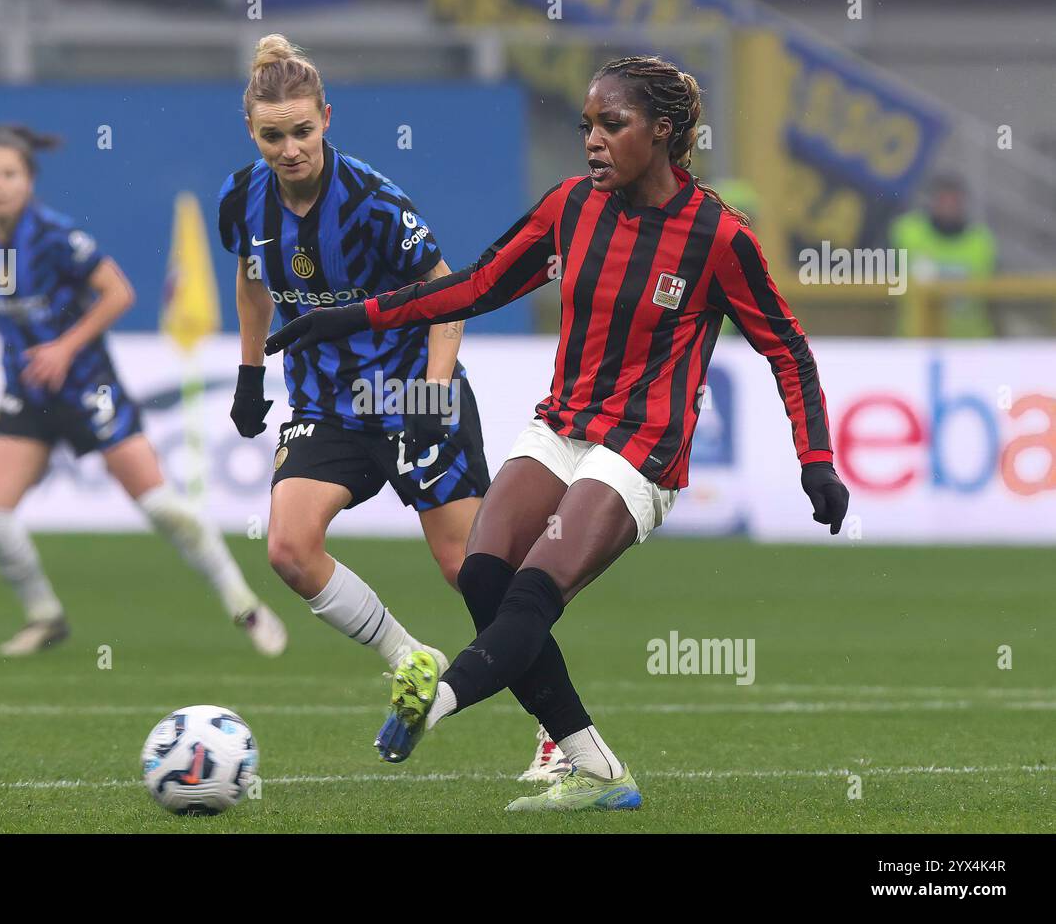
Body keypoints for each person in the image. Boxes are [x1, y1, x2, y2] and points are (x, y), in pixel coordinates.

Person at [267, 56, 850, 812]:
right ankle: (596, 767)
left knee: (533, 594)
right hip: (563, 423)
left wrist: (818, 459)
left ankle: (436, 702)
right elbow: (475, 284)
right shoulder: (571, 207)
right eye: (587, 126)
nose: (594, 141)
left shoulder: (719, 237)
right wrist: (351, 315)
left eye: (613, 124)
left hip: (641, 449)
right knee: (482, 573)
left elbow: (787, 348)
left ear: (662, 132)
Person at [220, 34, 568, 780]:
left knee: (472, 571)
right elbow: (252, 281)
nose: (290, 149)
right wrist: (251, 373)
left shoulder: (375, 204)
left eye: (303, 131)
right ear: (252, 131)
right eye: (273, 135)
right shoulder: (241, 199)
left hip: (413, 389)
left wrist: (434, 395)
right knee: (287, 548)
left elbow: (450, 300)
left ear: (327, 119)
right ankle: (408, 656)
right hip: (327, 404)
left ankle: (557, 734)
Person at [0, 124, 285, 658]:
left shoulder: (55, 236)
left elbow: (118, 292)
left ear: (29, 181)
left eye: (9, 173)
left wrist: (64, 347)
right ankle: (45, 616)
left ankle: (244, 604)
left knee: (163, 509)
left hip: (87, 389)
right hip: (28, 395)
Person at [890, 173, 997, 338]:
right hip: (915, 342)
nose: (948, 206)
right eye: (943, 200)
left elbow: (996, 297)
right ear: (933, 201)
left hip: (968, 345)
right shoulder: (907, 233)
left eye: (954, 201)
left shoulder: (981, 242)